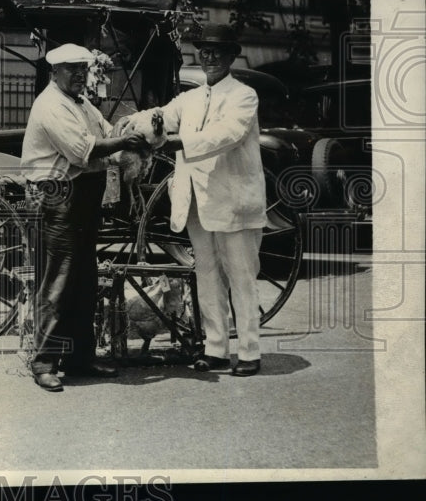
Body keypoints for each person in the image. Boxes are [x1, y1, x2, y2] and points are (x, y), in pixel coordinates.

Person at [117, 23, 268, 376]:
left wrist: (177, 142)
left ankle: (249, 351)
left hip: (233, 202)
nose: (210, 57)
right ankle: (216, 348)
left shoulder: (244, 96)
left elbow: (227, 135)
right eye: (204, 51)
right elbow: (162, 117)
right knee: (207, 274)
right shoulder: (191, 98)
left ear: (232, 55)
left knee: (242, 276)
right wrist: (131, 125)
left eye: (217, 51)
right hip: (197, 201)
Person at [22, 43, 149, 392]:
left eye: (83, 68)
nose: (80, 75)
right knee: (59, 281)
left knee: (83, 280)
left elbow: (106, 131)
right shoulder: (51, 105)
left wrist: (131, 130)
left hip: (82, 199)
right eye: (72, 69)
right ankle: (44, 361)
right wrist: (126, 141)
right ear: (55, 72)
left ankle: (80, 357)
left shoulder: (81, 102)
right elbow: (84, 151)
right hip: (57, 198)